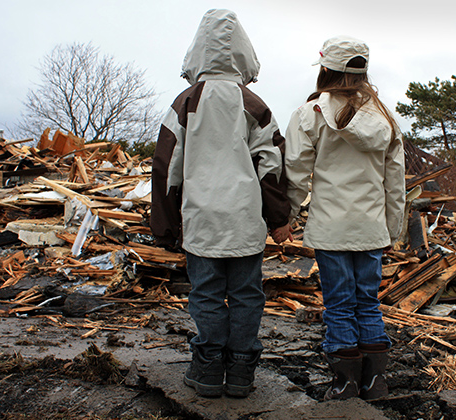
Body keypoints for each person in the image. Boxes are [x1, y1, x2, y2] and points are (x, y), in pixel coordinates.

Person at [151, 9, 291, 398]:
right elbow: (272, 166)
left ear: (197, 52)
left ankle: (209, 369)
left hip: (202, 220)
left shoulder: (185, 103)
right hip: (244, 220)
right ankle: (242, 371)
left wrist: (165, 226)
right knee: (247, 294)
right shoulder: (254, 104)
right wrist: (280, 217)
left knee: (206, 293)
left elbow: (166, 167)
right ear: (244, 53)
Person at [280, 35, 406, 401]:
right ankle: (375, 383)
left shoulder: (311, 114)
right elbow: (395, 183)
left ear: (326, 69)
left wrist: (285, 217)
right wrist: (393, 229)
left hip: (330, 229)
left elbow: (295, 174)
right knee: (367, 303)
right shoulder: (384, 118)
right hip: (370, 230)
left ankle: (345, 383)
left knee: (338, 304)